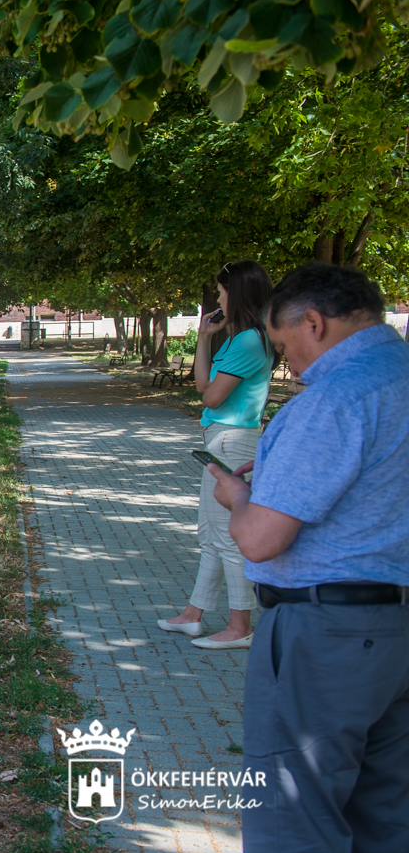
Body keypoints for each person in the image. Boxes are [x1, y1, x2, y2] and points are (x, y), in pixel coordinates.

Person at [205, 263, 409, 853]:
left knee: (296, 826)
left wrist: (236, 495)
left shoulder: (336, 398)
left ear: (313, 323)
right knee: (389, 827)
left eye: (284, 344)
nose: (285, 362)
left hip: (321, 636)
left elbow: (261, 538)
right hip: (392, 633)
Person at [159, 260, 276, 650]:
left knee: (227, 538)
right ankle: (194, 615)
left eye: (223, 291)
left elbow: (211, 395)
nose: (218, 297)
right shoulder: (237, 337)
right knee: (211, 535)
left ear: (237, 292)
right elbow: (200, 385)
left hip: (233, 441)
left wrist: (213, 348)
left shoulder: (248, 341)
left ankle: (239, 626)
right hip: (220, 439)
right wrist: (204, 337)